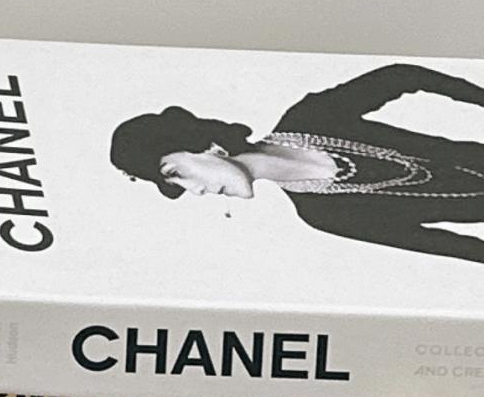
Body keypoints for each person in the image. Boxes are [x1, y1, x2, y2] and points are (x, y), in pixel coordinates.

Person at [109, 61, 484, 263]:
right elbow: (445, 245)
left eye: (175, 174)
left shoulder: (310, 119)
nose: (195, 192)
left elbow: (401, 77)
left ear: (201, 146)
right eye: (177, 187)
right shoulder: (322, 214)